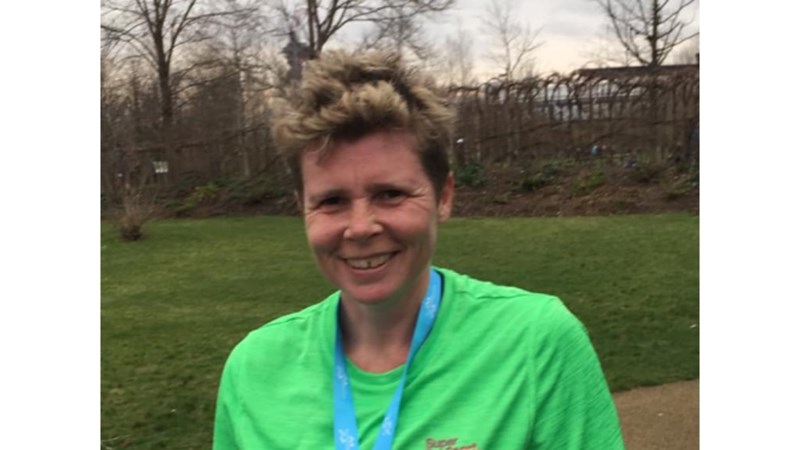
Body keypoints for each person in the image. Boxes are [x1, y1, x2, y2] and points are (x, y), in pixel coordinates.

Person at [213, 50, 624, 450]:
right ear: (302, 207)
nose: (361, 228)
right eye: (332, 201)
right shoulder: (253, 370)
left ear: (444, 196)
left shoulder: (536, 343)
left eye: (390, 194)